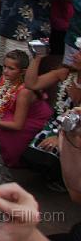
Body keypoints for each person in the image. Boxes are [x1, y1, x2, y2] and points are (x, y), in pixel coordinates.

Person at [0, 50, 52, 167]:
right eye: (4, 66)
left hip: (27, 121)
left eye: (11, 68)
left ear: (23, 72)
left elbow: (17, 125)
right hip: (12, 111)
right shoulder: (6, 77)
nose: (5, 71)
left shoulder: (24, 92)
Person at [21, 48, 81, 190]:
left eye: (80, 54)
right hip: (56, 124)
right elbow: (31, 84)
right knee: (32, 156)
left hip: (76, 132)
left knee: (54, 154)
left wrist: (59, 138)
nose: (75, 55)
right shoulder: (65, 74)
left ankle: (69, 181)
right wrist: (37, 58)